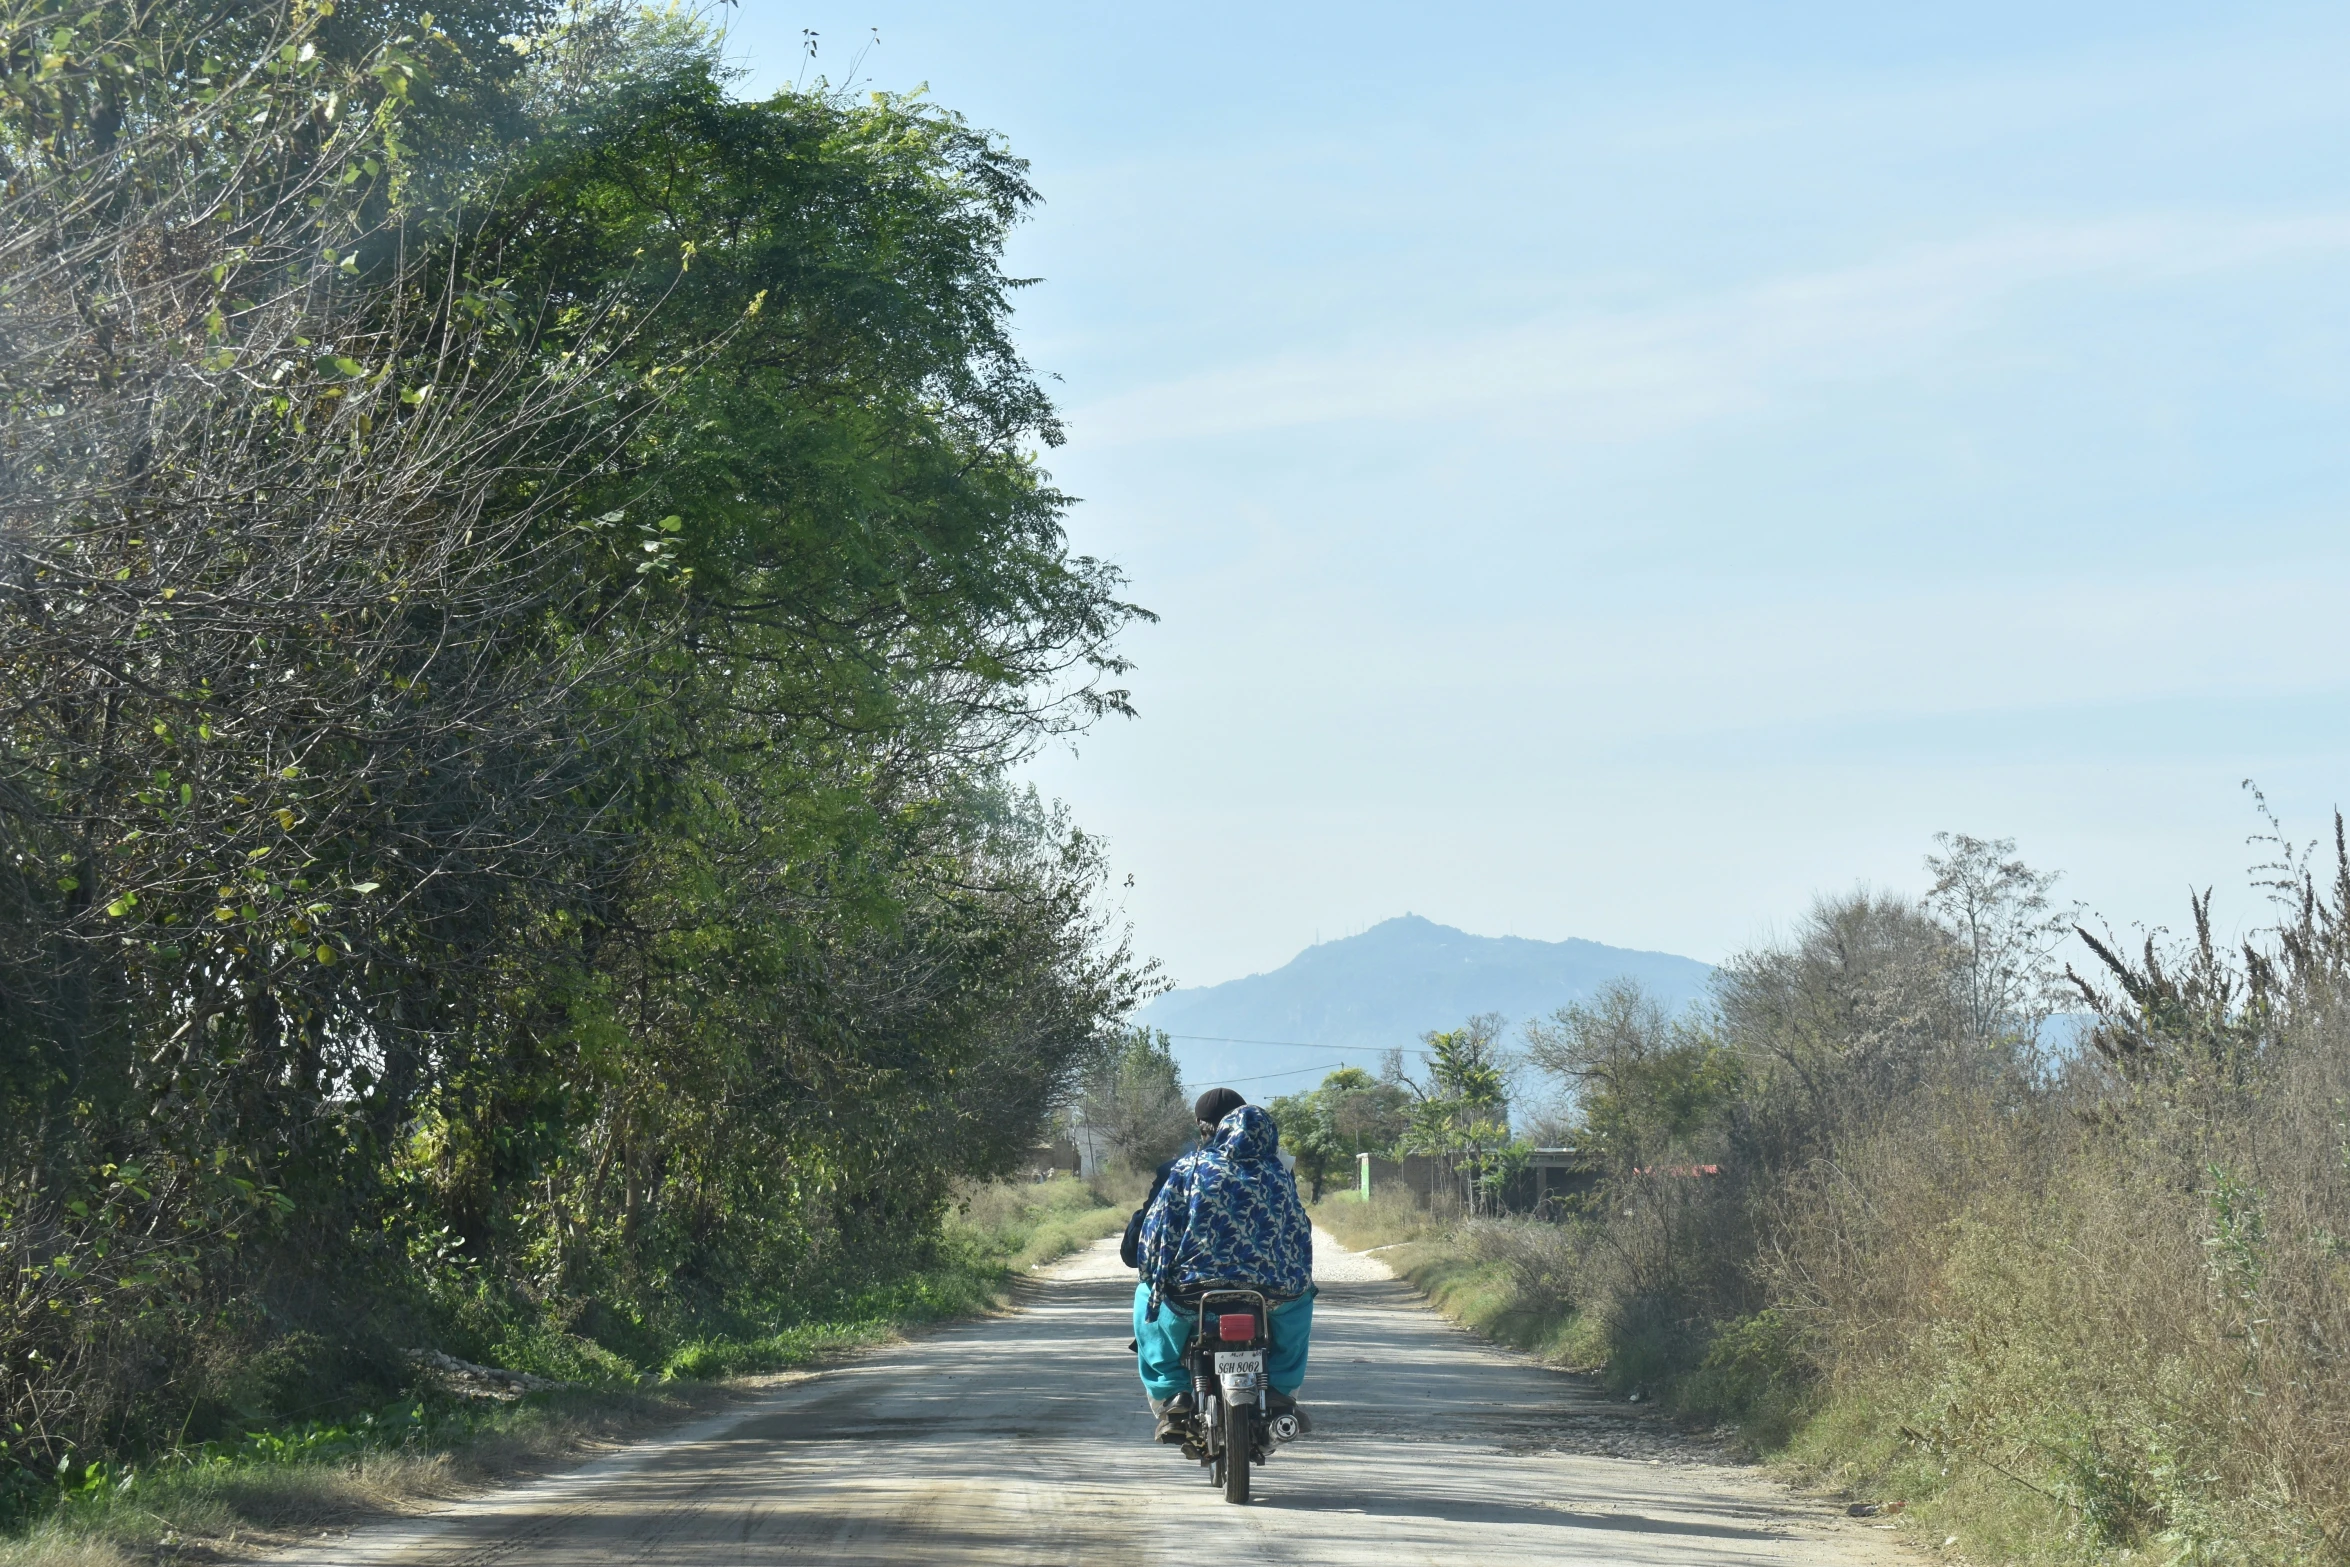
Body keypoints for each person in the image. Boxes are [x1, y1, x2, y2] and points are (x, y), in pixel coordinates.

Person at [1132, 1089, 1315, 1443]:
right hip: (1271, 1294)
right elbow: (1301, 1235)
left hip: (1194, 1292)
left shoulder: (1190, 1167)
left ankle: (1174, 1394)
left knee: (1148, 1305)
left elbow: (1158, 1230)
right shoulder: (1279, 1173)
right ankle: (1279, 1388)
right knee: (1298, 1312)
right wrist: (1297, 1282)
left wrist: (1153, 1276)